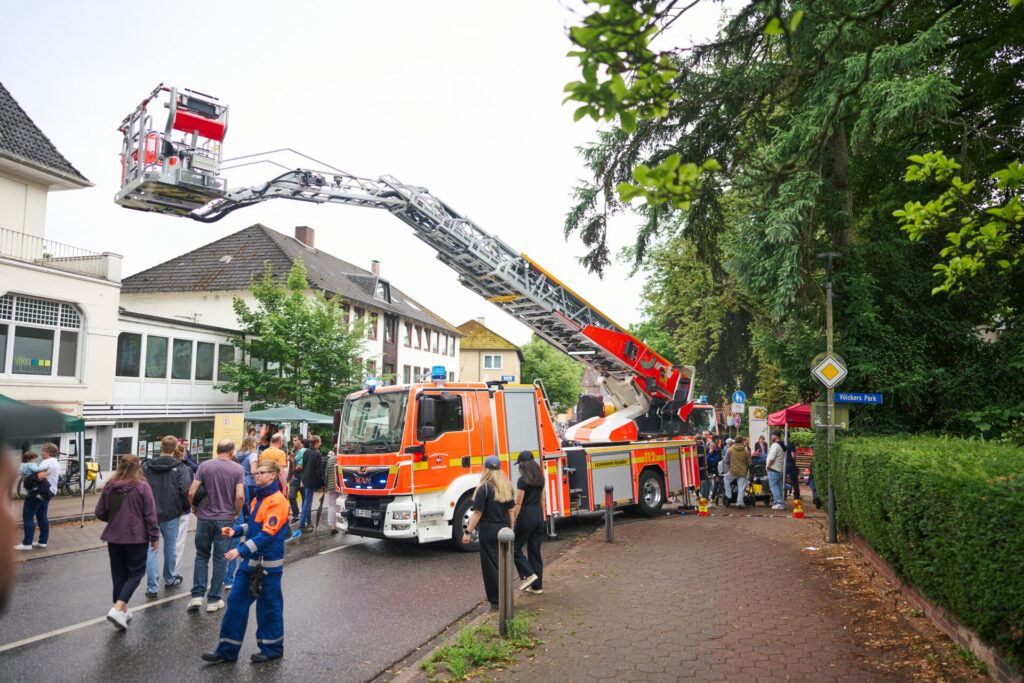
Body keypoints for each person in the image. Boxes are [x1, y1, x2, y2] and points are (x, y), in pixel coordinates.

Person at [201, 459, 290, 664]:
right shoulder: (259, 499)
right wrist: (236, 530)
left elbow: (267, 534)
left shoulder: (278, 501)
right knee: (235, 605)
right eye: (256, 473)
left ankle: (272, 649)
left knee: (268, 607)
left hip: (267, 566)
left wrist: (239, 550)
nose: (256, 475)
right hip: (251, 564)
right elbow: (254, 526)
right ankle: (226, 651)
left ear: (273, 476)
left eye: (261, 473)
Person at [95, 455, 159, 630]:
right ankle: (117, 609)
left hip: (114, 536)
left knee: (118, 573)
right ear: (138, 467)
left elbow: (100, 511)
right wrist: (154, 536)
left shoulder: (109, 486)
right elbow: (150, 515)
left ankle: (122, 610)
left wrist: (115, 520)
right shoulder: (142, 487)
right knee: (136, 573)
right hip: (136, 536)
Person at [187, 439, 244, 614]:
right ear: (232, 452)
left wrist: (193, 507)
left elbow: (191, 491)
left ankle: (197, 595)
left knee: (201, 556)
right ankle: (213, 599)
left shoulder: (204, 466)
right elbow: (240, 496)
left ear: (217, 450)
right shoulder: (238, 469)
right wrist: (236, 512)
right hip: (226, 519)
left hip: (204, 518)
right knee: (220, 558)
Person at [462, 455, 515, 610]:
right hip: (504, 529)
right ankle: (507, 596)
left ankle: (496, 601)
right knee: (504, 564)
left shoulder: (484, 488)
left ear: (485, 469)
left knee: (491, 567)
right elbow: (511, 511)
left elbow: (477, 513)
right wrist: (511, 529)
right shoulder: (507, 486)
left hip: (489, 531)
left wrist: (468, 532)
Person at [142, 435, 192, 597]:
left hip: (150, 514)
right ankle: (170, 578)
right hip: (172, 513)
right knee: (170, 548)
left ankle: (152, 587)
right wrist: (185, 507)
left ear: (160, 448)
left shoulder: (147, 466)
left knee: (151, 549)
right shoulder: (181, 467)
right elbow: (185, 490)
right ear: (176, 449)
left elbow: (141, 488)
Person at [512, 451, 546, 595]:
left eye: (519, 464)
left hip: (526, 516)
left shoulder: (522, 481)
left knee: (514, 548)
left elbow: (518, 503)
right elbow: (543, 500)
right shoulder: (540, 479)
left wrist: (512, 520)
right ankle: (537, 587)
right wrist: (541, 517)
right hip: (539, 514)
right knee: (535, 551)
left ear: (523, 465)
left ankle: (529, 574)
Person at [14, 452, 48, 550]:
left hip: (32, 492)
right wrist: (44, 468)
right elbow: (36, 470)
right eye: (34, 458)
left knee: (28, 517)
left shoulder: (22, 465)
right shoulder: (33, 464)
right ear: (30, 459)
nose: (36, 460)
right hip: (42, 491)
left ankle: (27, 543)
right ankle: (42, 541)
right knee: (42, 516)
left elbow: (19, 473)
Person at [298, 436, 324, 530]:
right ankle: (301, 524)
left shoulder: (306, 452)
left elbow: (304, 467)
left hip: (305, 479)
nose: (320, 444)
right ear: (316, 443)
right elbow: (318, 471)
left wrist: (303, 479)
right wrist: (321, 483)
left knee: (308, 501)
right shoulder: (317, 454)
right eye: (319, 442)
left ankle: (308, 521)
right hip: (311, 481)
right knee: (307, 502)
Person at [725, 437, 750, 508]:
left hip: (733, 471)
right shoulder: (745, 450)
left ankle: (729, 495)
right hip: (743, 472)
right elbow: (748, 462)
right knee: (741, 488)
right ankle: (739, 503)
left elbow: (726, 460)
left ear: (735, 441)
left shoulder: (729, 449)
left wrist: (730, 464)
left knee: (726, 479)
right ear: (742, 441)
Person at [766, 430, 786, 510]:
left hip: (773, 468)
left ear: (776, 436)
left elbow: (772, 457)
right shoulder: (783, 445)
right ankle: (779, 501)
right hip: (780, 468)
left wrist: (768, 466)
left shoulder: (775, 445)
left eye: (772, 435)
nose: (771, 436)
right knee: (779, 486)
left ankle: (778, 502)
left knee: (774, 486)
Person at [288, 435, 304, 521]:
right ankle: (296, 515)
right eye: (293, 440)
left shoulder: (305, 451)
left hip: (304, 478)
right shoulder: (292, 451)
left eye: (295, 440)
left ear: (300, 441)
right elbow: (292, 466)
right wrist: (290, 476)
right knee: (291, 496)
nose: (293, 442)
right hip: (295, 477)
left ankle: (304, 516)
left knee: (305, 499)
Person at [324, 448, 340, 535]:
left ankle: (333, 527)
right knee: (342, 506)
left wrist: (326, 485)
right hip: (341, 487)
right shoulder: (342, 459)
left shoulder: (330, 460)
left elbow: (326, 474)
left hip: (331, 486)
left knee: (332, 507)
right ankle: (343, 524)